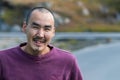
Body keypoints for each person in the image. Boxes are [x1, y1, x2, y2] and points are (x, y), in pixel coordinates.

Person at [0, 7, 83, 80]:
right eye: (35, 27)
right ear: (25, 27)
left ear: (53, 32)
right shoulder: (3, 59)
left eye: (46, 29)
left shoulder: (67, 61)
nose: (40, 34)